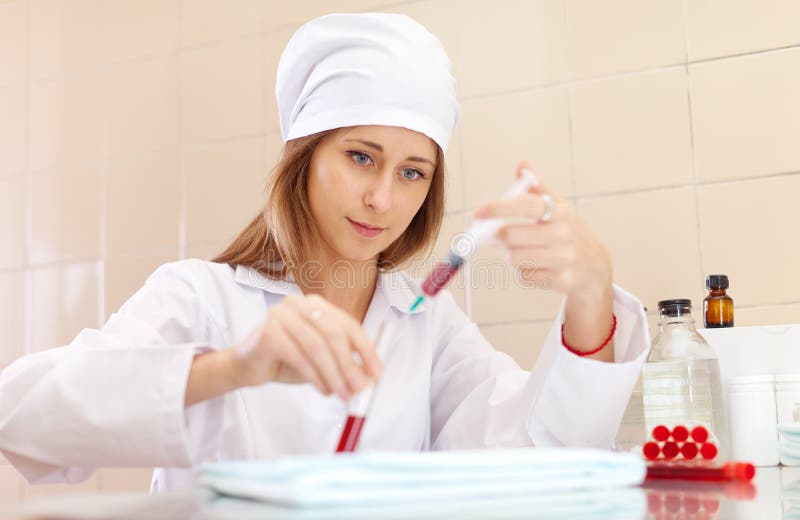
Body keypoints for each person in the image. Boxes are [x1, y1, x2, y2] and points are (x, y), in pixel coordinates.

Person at [0, 13, 649, 493]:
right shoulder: (202, 297)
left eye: (412, 172)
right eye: (360, 157)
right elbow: (21, 417)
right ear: (304, 159)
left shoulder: (426, 326)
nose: (381, 199)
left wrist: (590, 297)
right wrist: (232, 368)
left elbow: (540, 459)